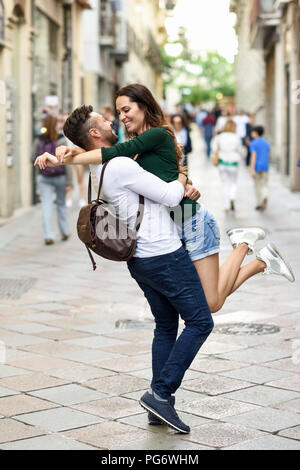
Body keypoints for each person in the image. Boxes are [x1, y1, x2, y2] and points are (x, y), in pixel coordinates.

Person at [37, 86, 295, 313]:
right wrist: (75, 150)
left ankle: (247, 246)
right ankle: (261, 259)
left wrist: (65, 158)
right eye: (118, 113)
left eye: (126, 110)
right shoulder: (137, 142)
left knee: (211, 304)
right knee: (208, 302)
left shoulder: (156, 134)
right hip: (176, 225)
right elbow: (118, 156)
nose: (121, 117)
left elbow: (113, 153)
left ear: (143, 106)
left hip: (192, 222)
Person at [36, 106, 214, 434]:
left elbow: (98, 156)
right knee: (201, 321)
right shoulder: (118, 164)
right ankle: (161, 394)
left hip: (139, 259)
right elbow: (171, 195)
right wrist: (183, 175)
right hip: (163, 253)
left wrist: (64, 154)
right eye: (106, 121)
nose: (112, 122)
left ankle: (160, 407)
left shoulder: (100, 167)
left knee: (165, 325)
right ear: (95, 134)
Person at [32, 114, 72, 245]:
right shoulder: (61, 139)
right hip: (60, 177)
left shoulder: (39, 139)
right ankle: (64, 232)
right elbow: (67, 162)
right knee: (61, 204)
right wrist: (69, 182)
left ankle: (48, 235)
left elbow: (32, 158)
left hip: (43, 177)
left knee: (46, 205)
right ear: (56, 124)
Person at [211, 120, 243, 212]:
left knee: (225, 184)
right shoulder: (236, 137)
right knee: (233, 182)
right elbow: (240, 150)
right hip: (233, 162)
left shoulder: (219, 137)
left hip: (222, 162)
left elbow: (214, 149)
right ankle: (232, 197)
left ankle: (226, 205)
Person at [250, 125, 270, 211]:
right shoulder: (266, 142)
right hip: (265, 166)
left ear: (256, 133)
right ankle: (265, 196)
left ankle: (259, 203)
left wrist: (252, 169)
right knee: (265, 184)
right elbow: (268, 155)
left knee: (257, 185)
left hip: (257, 166)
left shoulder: (253, 143)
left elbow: (253, 156)